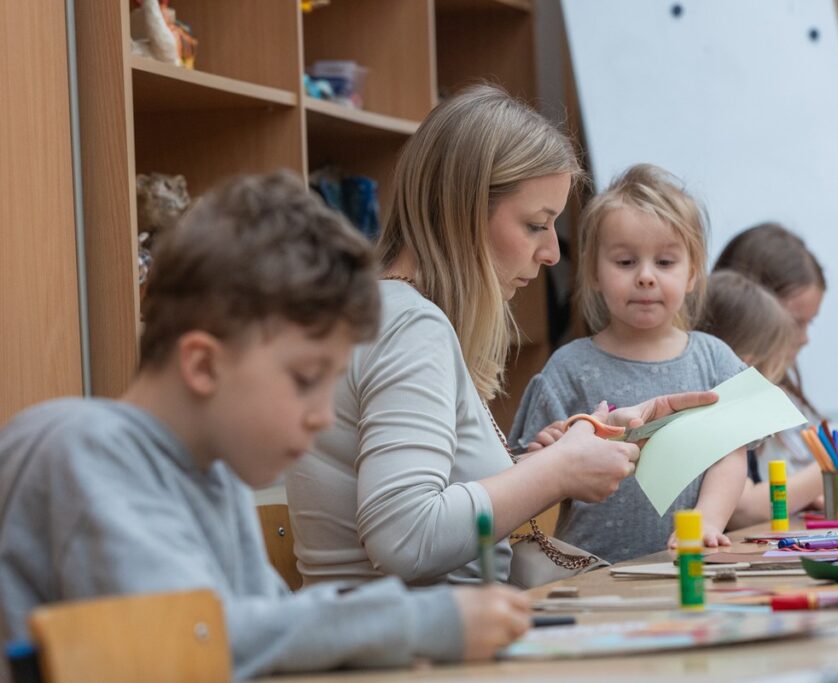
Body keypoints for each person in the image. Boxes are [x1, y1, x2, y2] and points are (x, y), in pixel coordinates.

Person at [0, 171, 531, 681]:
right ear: (204, 365)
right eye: (305, 379)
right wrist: (419, 623)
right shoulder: (84, 449)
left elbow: (270, 633)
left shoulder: (214, 475)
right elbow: (193, 641)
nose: (323, 415)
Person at [285, 86, 717, 587]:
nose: (553, 252)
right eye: (537, 225)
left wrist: (549, 459)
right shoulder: (410, 327)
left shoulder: (385, 312)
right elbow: (405, 537)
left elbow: (431, 500)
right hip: (415, 652)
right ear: (464, 212)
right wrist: (557, 472)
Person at [508, 164, 748, 564]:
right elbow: (527, 478)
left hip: (688, 564)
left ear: (693, 272)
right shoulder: (569, 367)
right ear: (594, 272)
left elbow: (730, 454)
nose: (646, 278)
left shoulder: (715, 359)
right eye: (625, 262)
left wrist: (707, 523)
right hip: (588, 573)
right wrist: (546, 452)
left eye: (666, 262)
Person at [697, 269, 825, 528]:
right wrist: (834, 465)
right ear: (746, 366)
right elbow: (745, 509)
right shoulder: (721, 424)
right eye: (773, 375)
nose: (776, 389)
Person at [713, 223, 827, 477]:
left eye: (811, 322)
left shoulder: (784, 394)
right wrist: (832, 473)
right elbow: (744, 507)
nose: (805, 338)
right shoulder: (722, 403)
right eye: (796, 322)